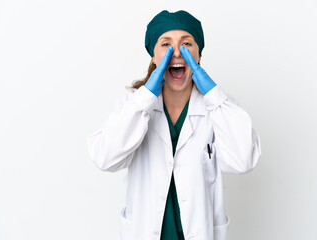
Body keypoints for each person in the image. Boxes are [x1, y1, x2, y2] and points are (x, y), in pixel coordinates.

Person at [87, 10, 261, 240]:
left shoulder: (220, 109)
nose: (177, 52)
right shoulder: (132, 105)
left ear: (198, 55)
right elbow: (104, 157)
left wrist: (213, 95)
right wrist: (145, 98)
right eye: (166, 44)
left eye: (187, 43)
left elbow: (243, 160)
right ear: (154, 56)